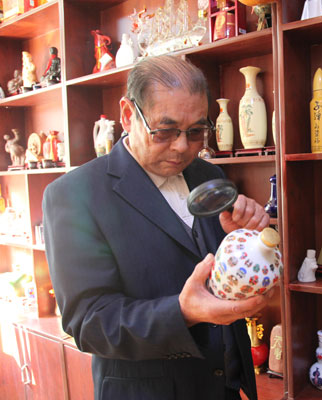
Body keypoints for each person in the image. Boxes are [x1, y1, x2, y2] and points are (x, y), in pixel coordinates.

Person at [43, 55, 272, 400]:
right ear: (127, 115)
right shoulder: (74, 194)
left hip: (224, 386)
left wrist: (242, 238)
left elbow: (219, 271)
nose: (182, 147)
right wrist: (180, 313)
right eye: (164, 131)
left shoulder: (208, 174)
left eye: (196, 132)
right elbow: (89, 323)